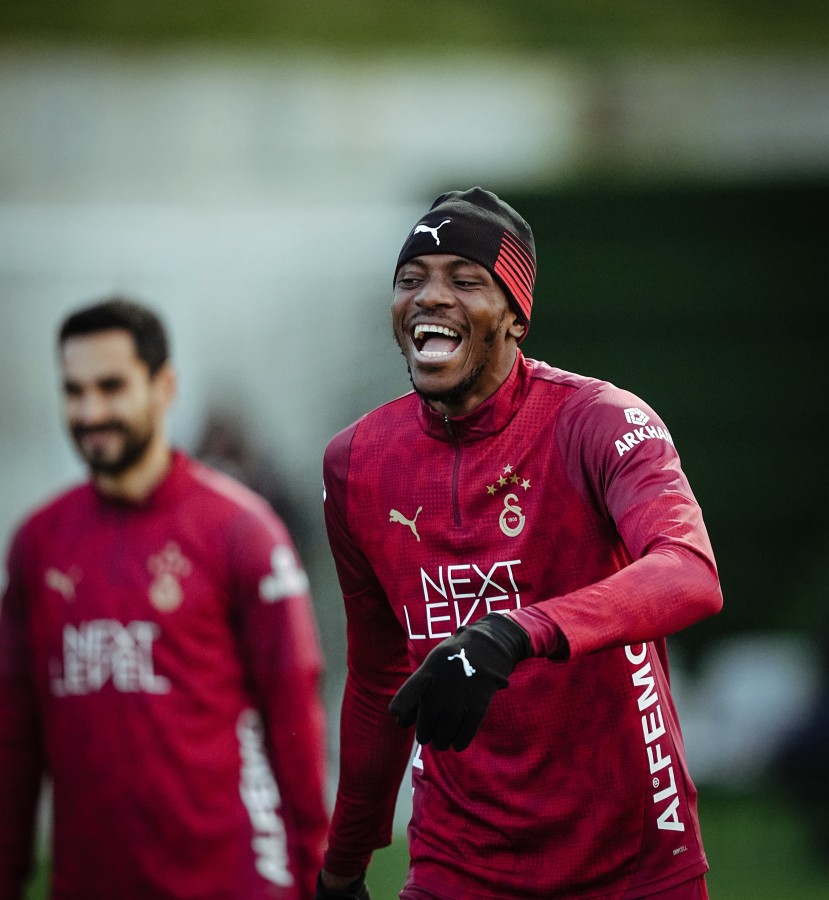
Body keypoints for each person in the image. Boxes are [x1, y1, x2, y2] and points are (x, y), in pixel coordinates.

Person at [316, 188, 723, 900]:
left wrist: (513, 632)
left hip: (629, 857)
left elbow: (688, 573)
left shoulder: (597, 421)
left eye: (464, 280)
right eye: (411, 279)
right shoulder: (357, 463)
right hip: (456, 863)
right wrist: (343, 866)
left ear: (515, 317)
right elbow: (378, 680)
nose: (429, 297)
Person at [0, 298, 328, 899]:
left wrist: (318, 878)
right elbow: (14, 738)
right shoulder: (36, 545)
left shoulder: (241, 531)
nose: (90, 411)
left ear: (164, 387)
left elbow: (294, 720)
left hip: (231, 883)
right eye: (74, 391)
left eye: (111, 387)